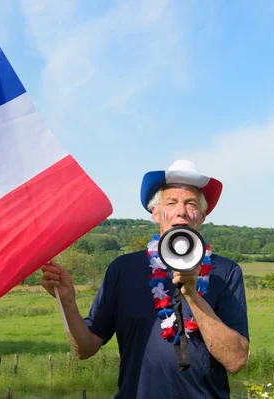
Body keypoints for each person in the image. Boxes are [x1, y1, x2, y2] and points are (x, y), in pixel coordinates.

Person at [41, 160, 249, 399]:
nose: (181, 210)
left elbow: (236, 360)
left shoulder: (226, 272)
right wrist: (67, 302)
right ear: (155, 213)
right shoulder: (123, 269)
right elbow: (85, 348)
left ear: (201, 216)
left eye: (190, 203)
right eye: (171, 203)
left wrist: (192, 294)